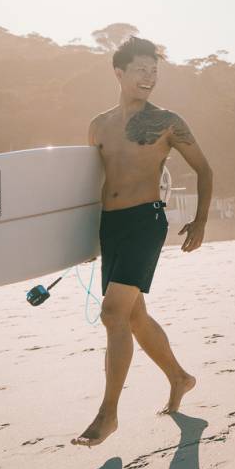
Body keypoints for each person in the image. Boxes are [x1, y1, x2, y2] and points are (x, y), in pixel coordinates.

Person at [73, 36, 213, 446]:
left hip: (145, 222)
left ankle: (108, 415)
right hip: (110, 225)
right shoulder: (98, 126)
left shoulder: (167, 121)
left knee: (112, 314)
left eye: (154, 71)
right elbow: (92, 185)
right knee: (134, 317)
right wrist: (83, 239)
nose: (149, 77)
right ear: (119, 73)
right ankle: (179, 377)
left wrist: (200, 221)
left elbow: (204, 169)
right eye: (141, 70)